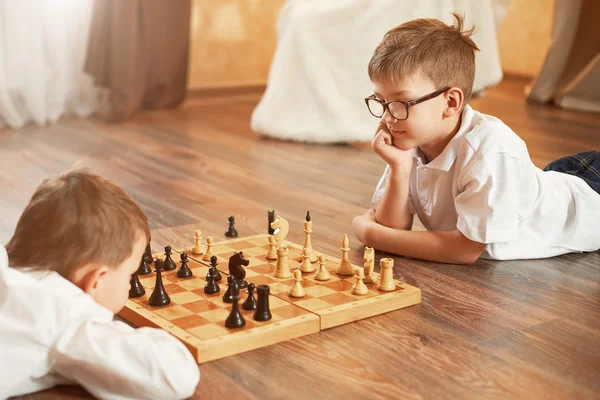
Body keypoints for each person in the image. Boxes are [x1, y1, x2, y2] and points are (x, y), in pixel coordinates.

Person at [352, 14, 600, 263]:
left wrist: (371, 234)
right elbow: (395, 228)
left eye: (401, 102)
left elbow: (464, 250)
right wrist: (400, 168)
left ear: (451, 102)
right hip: (552, 182)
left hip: (590, 194)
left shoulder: (489, 150)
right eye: (381, 101)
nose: (386, 116)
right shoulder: (411, 140)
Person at [0, 170, 200, 399]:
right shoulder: (65, 315)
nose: (130, 285)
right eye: (129, 275)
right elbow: (174, 376)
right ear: (95, 280)